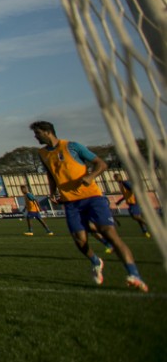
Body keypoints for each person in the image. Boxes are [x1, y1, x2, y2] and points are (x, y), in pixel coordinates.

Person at [31, 121, 147, 292]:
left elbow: (101, 164)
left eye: (38, 133)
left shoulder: (72, 146)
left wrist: (91, 176)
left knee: (109, 233)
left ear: (48, 132)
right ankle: (95, 261)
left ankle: (134, 274)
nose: (36, 137)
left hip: (92, 197)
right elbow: (50, 173)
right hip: (70, 202)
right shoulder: (42, 153)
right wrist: (53, 192)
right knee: (80, 240)